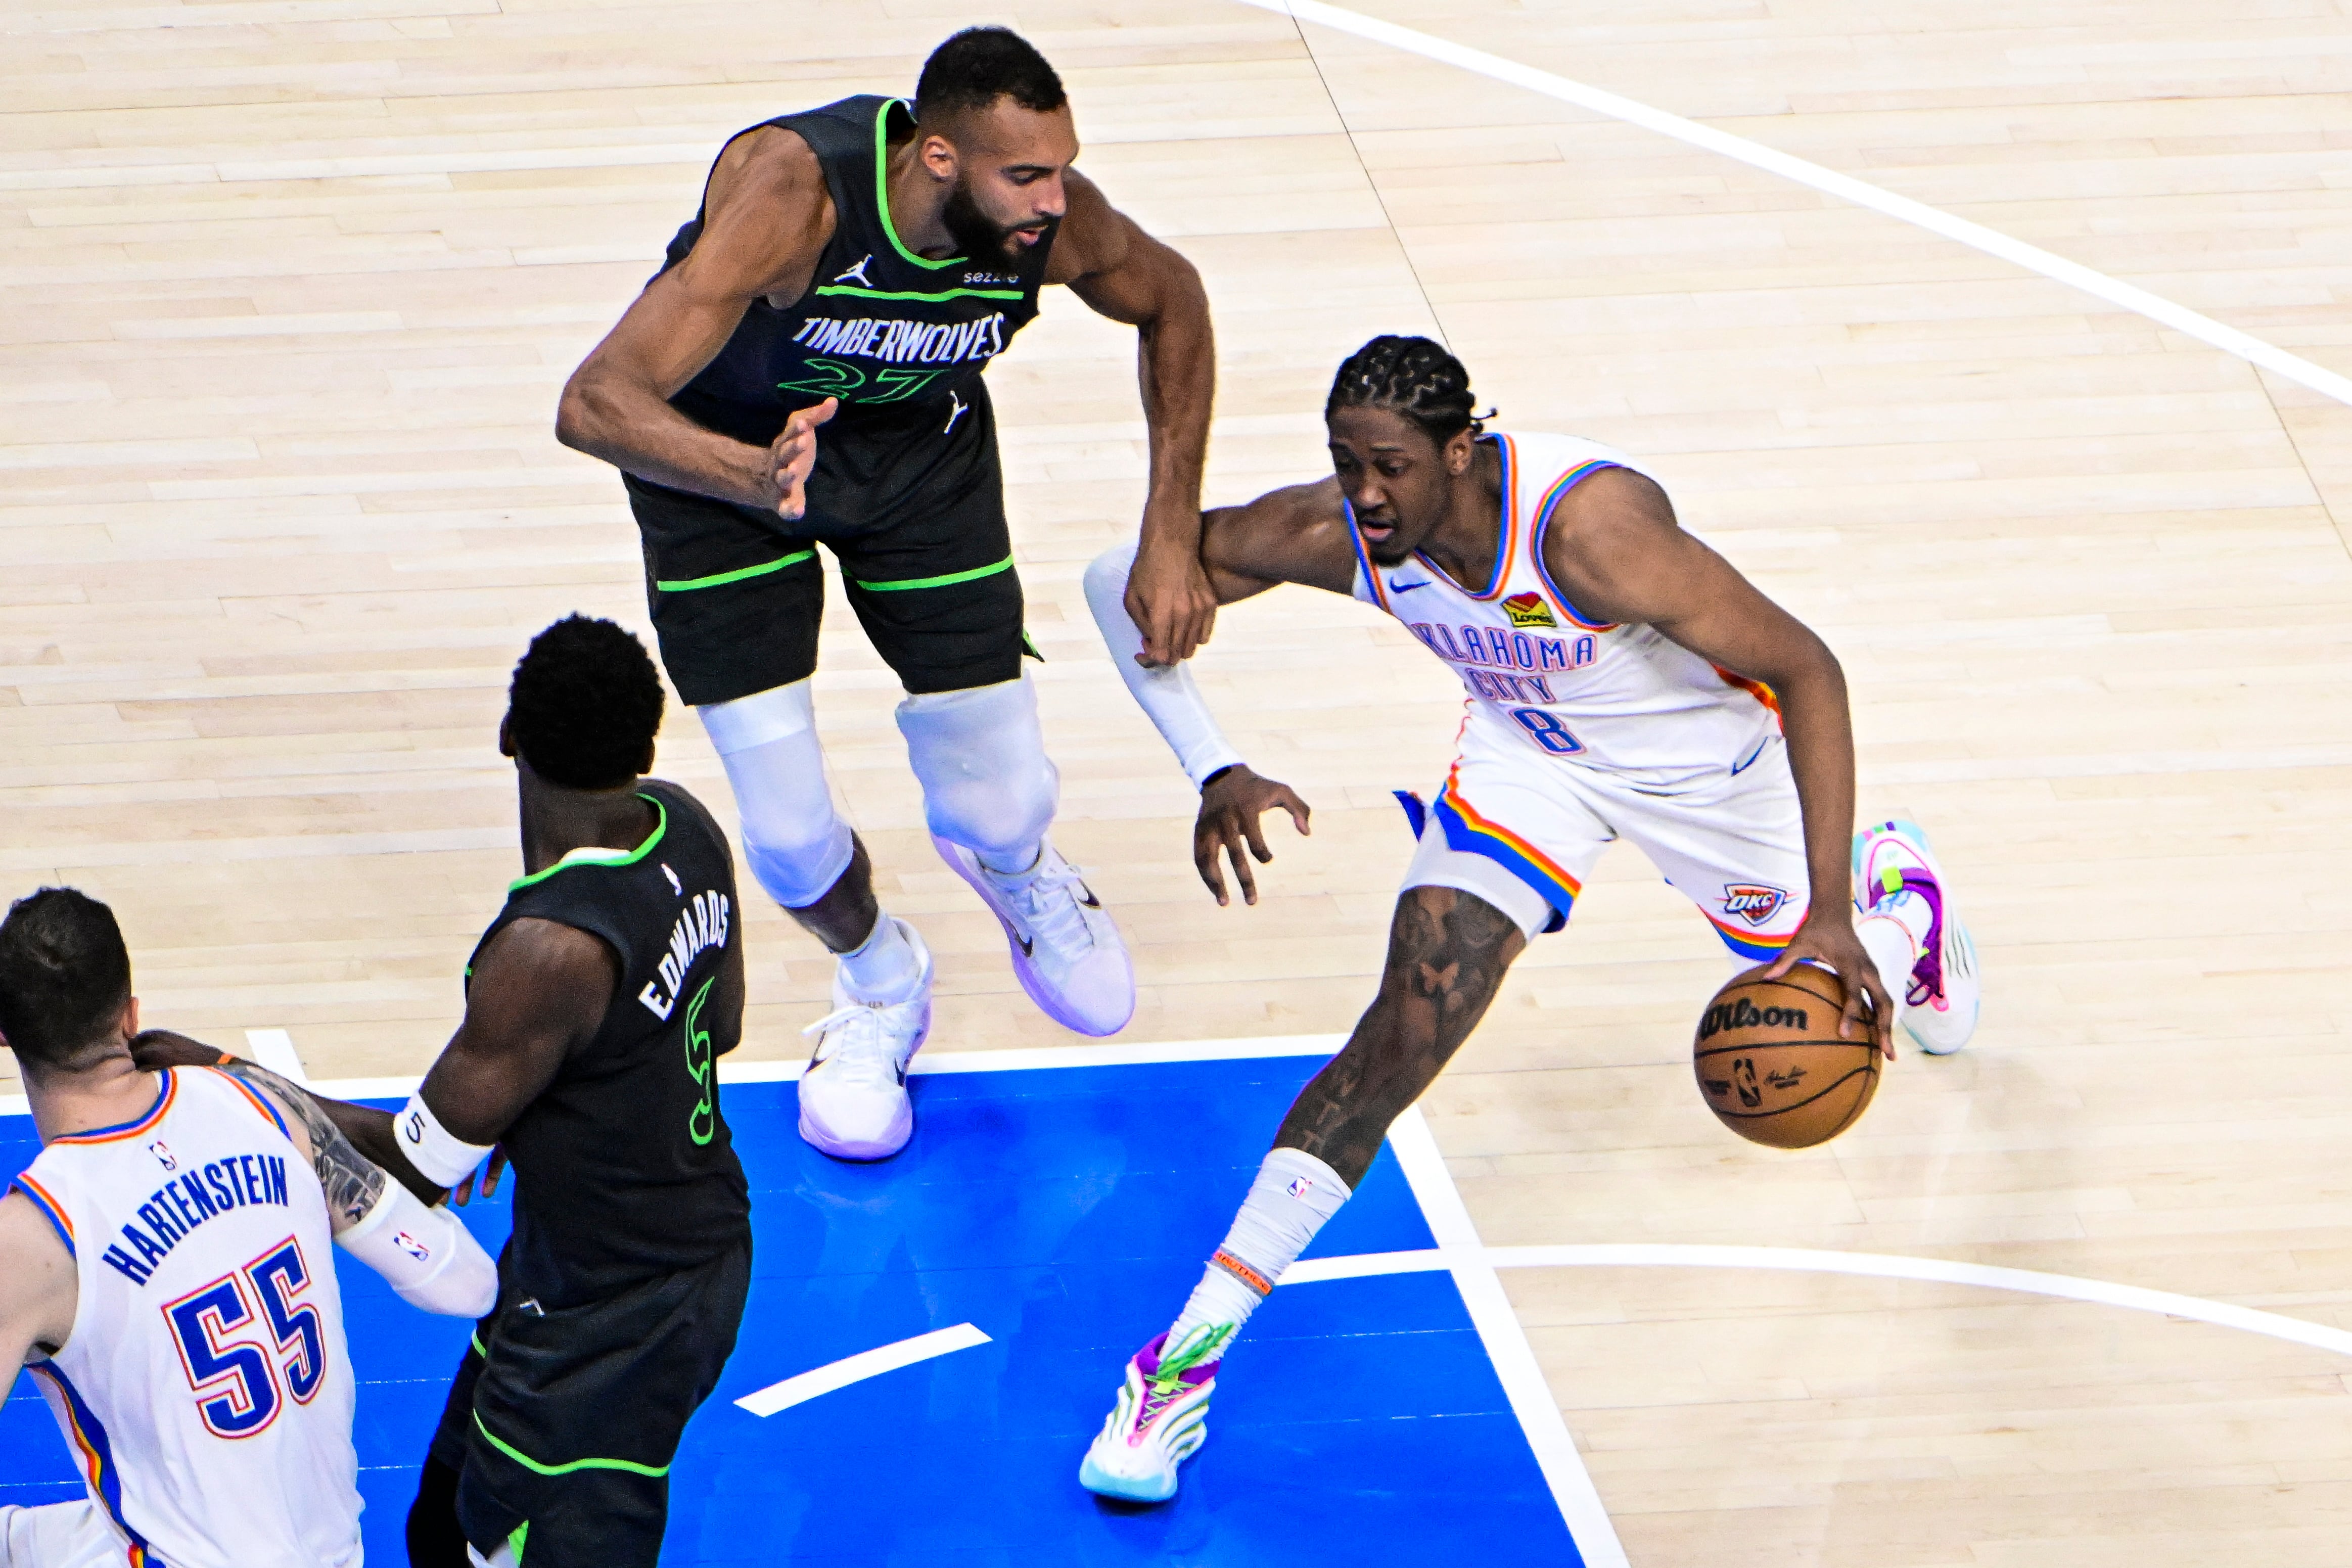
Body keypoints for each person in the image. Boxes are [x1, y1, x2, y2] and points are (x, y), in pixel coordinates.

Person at [1073, 335, 1983, 1501]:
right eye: (1345, 461)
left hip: (1713, 781)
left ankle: (1893, 900)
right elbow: (1122, 581)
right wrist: (1213, 768)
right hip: (1532, 762)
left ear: (1463, 451)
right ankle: (1176, 1370)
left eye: (1391, 465)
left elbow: (1807, 668)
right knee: (1401, 1031)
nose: (1365, 493)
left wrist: (1824, 913)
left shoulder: (1590, 536)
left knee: (1839, 991)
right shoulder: (1337, 531)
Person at [554, 25, 1220, 1161]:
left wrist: (1170, 536)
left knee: (1002, 802)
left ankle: (1016, 869)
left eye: (1061, 168)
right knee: (788, 837)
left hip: (920, 460)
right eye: (1027, 174)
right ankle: (878, 979)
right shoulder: (792, 198)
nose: (1055, 201)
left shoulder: (1049, 226)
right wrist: (751, 476)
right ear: (938, 160)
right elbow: (595, 402)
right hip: (726, 466)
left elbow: (1176, 300)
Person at [0, 887, 495, 1568]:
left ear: (6, 1032)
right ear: (131, 1012)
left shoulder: (30, 1240)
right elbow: (466, 1286)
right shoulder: (259, 1102)